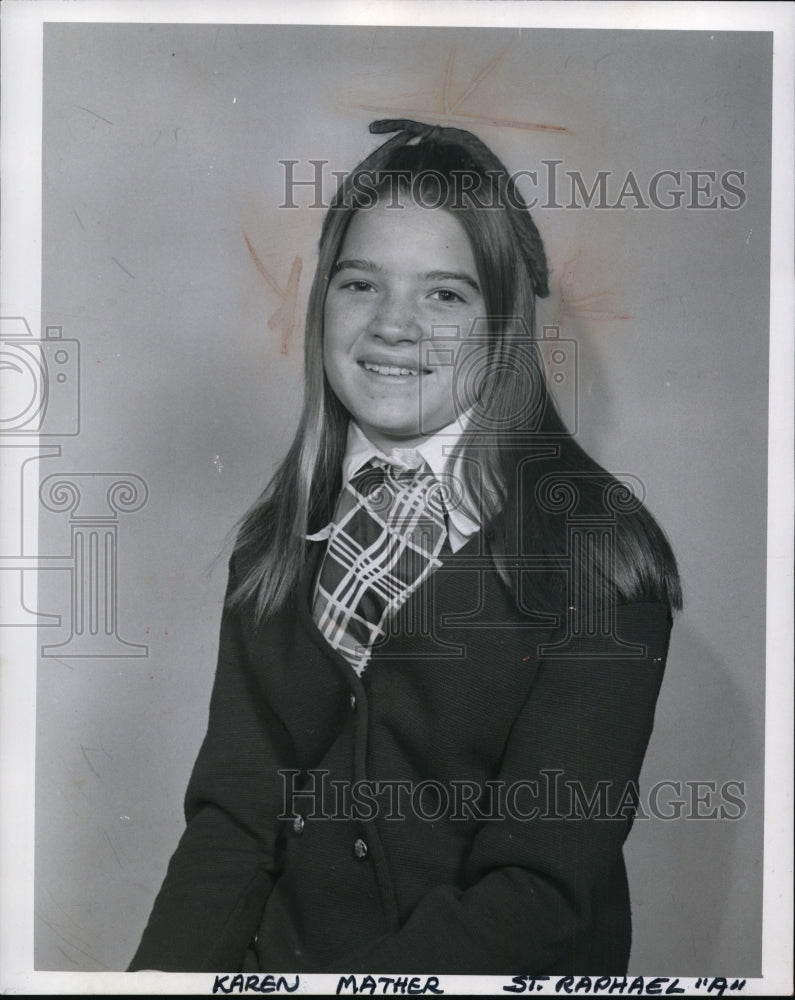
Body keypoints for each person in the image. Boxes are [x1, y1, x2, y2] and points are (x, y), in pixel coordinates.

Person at [129, 119, 681, 975]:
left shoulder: (597, 558)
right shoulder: (276, 547)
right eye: (360, 284)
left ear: (502, 327)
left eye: (444, 295)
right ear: (321, 304)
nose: (393, 326)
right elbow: (233, 827)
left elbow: (538, 896)